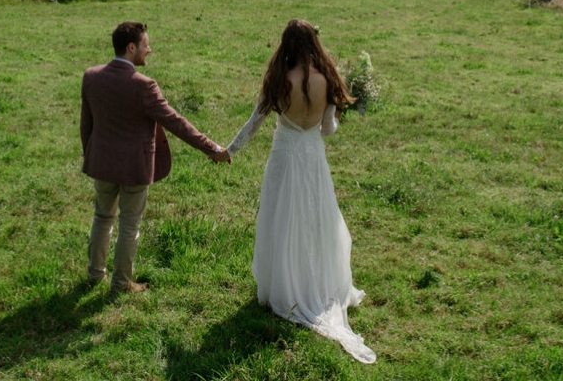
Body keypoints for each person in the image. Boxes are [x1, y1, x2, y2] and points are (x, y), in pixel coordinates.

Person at [226, 19, 376, 363]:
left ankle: (281, 287)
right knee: (315, 221)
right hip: (313, 160)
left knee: (280, 219)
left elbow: (254, 124)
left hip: (284, 157)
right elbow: (327, 131)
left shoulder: (280, 80)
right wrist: (334, 115)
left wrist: (228, 151)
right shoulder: (327, 79)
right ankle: (315, 283)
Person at [81, 21, 230, 293]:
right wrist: (212, 148)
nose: (149, 50)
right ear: (131, 47)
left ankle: (94, 275)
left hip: (101, 163)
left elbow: (86, 126)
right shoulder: (144, 86)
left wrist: (91, 156)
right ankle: (121, 282)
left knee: (102, 217)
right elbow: (176, 122)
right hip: (134, 167)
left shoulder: (91, 77)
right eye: (146, 45)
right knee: (129, 224)